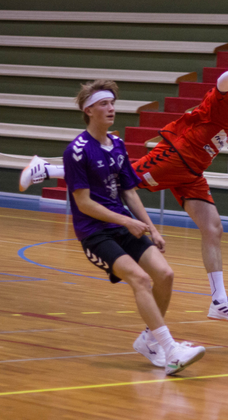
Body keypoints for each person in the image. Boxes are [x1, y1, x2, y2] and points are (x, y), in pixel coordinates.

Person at [20, 61, 228, 324]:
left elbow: (206, 119)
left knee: (213, 228)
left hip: (193, 171)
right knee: (119, 178)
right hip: (175, 157)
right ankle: (47, 169)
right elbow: (221, 84)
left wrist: (224, 136)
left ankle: (219, 301)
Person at [60, 79, 205, 375]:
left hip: (124, 226)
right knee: (140, 279)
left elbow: (129, 192)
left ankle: (150, 341)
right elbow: (84, 204)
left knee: (165, 274)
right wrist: (127, 221)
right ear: (89, 110)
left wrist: (152, 228)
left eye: (113, 103)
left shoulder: (118, 145)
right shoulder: (76, 150)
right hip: (95, 233)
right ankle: (170, 350)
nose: (111, 108)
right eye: (104, 103)